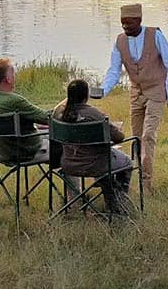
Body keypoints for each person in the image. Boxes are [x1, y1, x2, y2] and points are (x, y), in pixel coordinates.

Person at [101, 3, 168, 193]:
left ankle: (147, 183)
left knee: (148, 135)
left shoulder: (155, 35)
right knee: (136, 138)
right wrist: (103, 90)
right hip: (136, 93)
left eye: (129, 23)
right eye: (122, 24)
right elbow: (114, 70)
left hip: (156, 91)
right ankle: (136, 174)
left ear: (139, 21)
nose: (126, 27)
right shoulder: (120, 41)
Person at [53, 79, 133, 214]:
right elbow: (119, 137)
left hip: (69, 164)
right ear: (86, 96)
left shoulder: (59, 116)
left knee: (105, 162)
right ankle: (117, 202)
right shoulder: (95, 115)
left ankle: (106, 192)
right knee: (127, 163)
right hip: (96, 164)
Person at [0, 57, 51, 163]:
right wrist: (66, 104)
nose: (15, 76)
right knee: (66, 145)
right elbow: (47, 118)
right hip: (25, 153)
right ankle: (72, 177)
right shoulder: (15, 101)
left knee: (46, 132)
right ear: (8, 79)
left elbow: (9, 126)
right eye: (13, 74)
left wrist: (36, 126)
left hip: (1, 152)